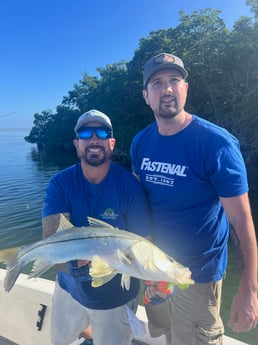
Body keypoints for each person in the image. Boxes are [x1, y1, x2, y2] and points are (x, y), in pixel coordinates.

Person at [130, 52, 258, 345]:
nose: (167, 89)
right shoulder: (141, 142)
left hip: (197, 275)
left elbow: (241, 220)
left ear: (186, 88)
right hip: (155, 269)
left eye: (175, 80)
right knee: (167, 336)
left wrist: (250, 288)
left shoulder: (216, 144)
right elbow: (139, 205)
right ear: (146, 96)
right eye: (157, 83)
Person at [42, 109, 151, 345]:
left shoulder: (130, 186)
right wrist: (71, 266)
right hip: (68, 289)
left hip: (115, 298)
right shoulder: (59, 184)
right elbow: (52, 242)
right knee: (60, 341)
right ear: (76, 143)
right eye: (85, 133)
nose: (93, 139)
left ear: (111, 143)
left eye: (101, 133)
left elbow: (144, 246)